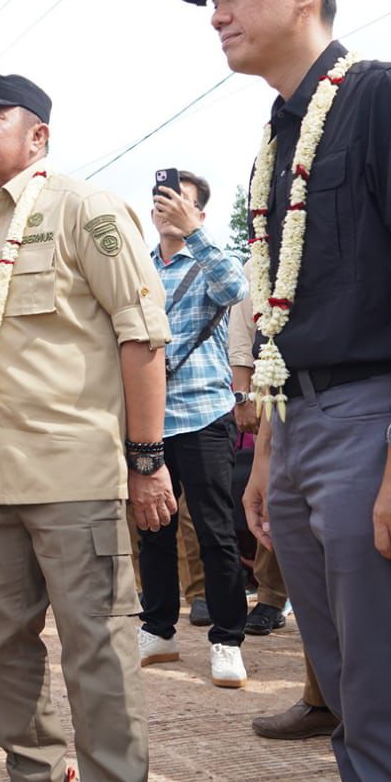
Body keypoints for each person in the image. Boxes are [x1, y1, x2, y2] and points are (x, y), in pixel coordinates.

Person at [170, 0, 391, 782]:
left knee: (389, 695)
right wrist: (270, 452)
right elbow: (282, 307)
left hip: (379, 416)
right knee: (345, 689)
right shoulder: (280, 133)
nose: (217, 12)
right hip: (300, 426)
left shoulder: (387, 93)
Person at [0, 70, 173, 782]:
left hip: (78, 477)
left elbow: (141, 335)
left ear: (39, 135)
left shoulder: (84, 209)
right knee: (0, 648)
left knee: (96, 649)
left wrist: (147, 460)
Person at [136, 170, 250, 688]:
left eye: (181, 201)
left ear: (200, 213)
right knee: (152, 529)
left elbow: (236, 288)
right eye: (163, 199)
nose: (169, 207)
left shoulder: (211, 260)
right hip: (147, 420)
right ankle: (158, 629)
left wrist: (195, 235)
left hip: (203, 414)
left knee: (215, 532)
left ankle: (227, 639)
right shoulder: (138, 267)